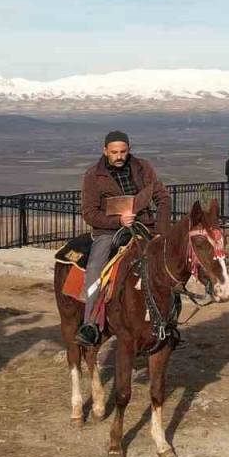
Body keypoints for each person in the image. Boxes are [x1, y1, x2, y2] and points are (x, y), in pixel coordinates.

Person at [75, 130, 172, 346]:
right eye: (114, 152)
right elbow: (89, 213)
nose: (119, 156)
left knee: (166, 266)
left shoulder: (143, 167)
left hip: (144, 227)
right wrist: (118, 222)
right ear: (105, 151)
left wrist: (161, 234)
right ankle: (91, 323)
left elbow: (163, 198)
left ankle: (168, 318)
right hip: (109, 233)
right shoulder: (93, 175)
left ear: (129, 150)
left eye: (123, 151)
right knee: (95, 269)